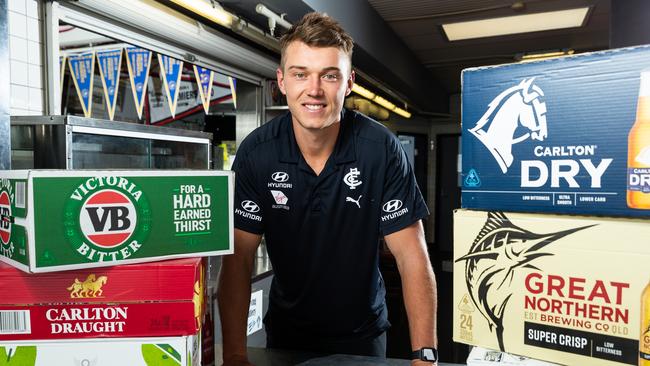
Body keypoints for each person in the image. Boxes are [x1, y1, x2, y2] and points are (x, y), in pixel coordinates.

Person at [217, 12, 438, 365]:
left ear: (348, 83)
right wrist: (233, 355)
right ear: (282, 82)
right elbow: (238, 259)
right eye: (300, 74)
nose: (314, 89)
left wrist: (425, 357)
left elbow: (412, 257)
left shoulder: (379, 149)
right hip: (287, 334)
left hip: (362, 336)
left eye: (329, 75)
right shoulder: (258, 154)